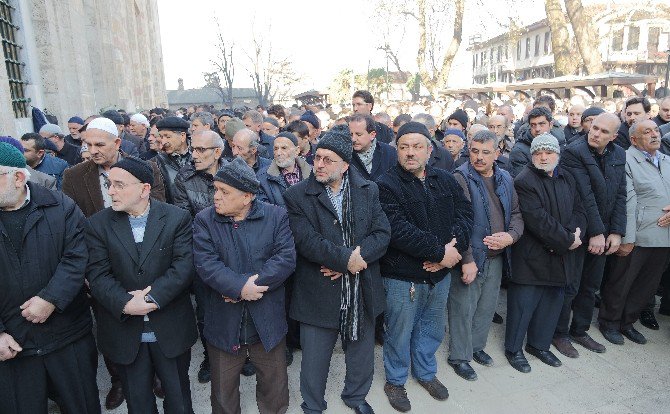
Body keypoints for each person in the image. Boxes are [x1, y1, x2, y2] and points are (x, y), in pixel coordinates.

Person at [284, 127, 391, 414]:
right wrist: (345, 261)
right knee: (315, 359)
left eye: (327, 160)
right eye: (317, 157)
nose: (318, 164)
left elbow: (382, 233)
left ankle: (355, 398)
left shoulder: (368, 189)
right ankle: (313, 405)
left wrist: (353, 262)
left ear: (345, 165)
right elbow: (306, 241)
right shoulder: (297, 195)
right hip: (318, 289)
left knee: (361, 354)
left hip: (361, 288)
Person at [61, 117, 166, 409]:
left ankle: (157, 373)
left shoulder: (146, 167)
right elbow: (73, 225)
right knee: (112, 322)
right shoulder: (74, 176)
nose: (91, 150)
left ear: (118, 143)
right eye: (86, 144)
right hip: (101, 264)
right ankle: (120, 379)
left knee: (152, 316)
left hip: (145, 261)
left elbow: (160, 214)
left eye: (99, 144)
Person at [85, 156, 198, 414]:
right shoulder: (97, 224)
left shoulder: (176, 218)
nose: (111, 191)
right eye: (109, 184)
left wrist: (151, 299)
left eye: (119, 185)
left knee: (179, 400)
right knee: (138, 403)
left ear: (144, 189)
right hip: (124, 332)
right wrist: (126, 303)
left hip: (170, 328)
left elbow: (183, 266)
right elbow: (97, 274)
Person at [377, 122, 473, 412]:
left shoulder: (445, 179)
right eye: (404, 147)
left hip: (440, 275)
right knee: (399, 331)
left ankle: (426, 373)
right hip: (402, 277)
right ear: (397, 151)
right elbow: (397, 230)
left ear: (430, 150)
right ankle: (395, 381)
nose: (410, 152)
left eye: (417, 146)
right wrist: (438, 252)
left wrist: (452, 251)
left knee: (431, 328)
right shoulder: (385, 185)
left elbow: (466, 215)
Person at [0, 143, 100, 414]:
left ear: (18, 178)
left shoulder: (60, 207)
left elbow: (78, 256)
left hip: (67, 335)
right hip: (13, 344)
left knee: (81, 405)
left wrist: (50, 299)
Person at [193, 157, 296, 414]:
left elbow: (285, 259)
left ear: (247, 196)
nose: (216, 196)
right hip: (224, 323)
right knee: (223, 396)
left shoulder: (276, 216)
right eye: (215, 190)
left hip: (267, 322)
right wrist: (239, 287)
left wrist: (248, 288)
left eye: (224, 191)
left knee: (274, 391)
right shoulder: (205, 220)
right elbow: (206, 264)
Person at [506, 133, 586, 373]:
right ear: (531, 155)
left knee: (551, 304)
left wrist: (572, 236)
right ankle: (514, 350)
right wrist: (567, 240)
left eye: (548, 152)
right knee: (523, 306)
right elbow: (537, 219)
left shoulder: (567, 176)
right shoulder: (525, 179)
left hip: (561, 253)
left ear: (557, 155)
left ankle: (539, 345)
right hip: (533, 255)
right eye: (538, 153)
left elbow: (579, 210)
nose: (543, 157)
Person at [448, 130, 523, 381]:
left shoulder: (505, 177)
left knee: (487, 307)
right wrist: (467, 259)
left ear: (497, 154)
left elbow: (516, 214)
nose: (479, 157)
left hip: (498, 254)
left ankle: (477, 347)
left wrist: (511, 236)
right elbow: (458, 223)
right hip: (472, 256)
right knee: (463, 307)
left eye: (485, 152)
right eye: (474, 151)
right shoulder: (460, 177)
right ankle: (459, 356)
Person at [552, 113, 626, 358]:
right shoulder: (574, 151)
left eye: (604, 132)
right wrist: (596, 232)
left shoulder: (618, 153)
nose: (596, 134)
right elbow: (585, 196)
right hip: (580, 229)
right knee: (570, 284)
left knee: (591, 285)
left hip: (603, 231)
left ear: (614, 136)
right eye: (595, 128)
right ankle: (559, 333)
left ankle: (580, 330)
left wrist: (616, 231)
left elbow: (620, 195)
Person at [599, 120, 670, 346]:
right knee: (621, 282)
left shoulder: (667, 160)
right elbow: (627, 200)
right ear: (633, 139)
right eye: (646, 132)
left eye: (656, 130)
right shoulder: (627, 159)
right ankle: (609, 322)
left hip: (664, 234)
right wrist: (627, 238)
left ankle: (627, 323)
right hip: (637, 233)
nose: (654, 134)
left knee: (647, 285)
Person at [348, 114, 397, 181]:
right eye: (351, 134)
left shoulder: (389, 153)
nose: (353, 139)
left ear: (372, 135)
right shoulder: (346, 154)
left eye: (359, 134)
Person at [155, 116, 192, 204]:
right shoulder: (156, 163)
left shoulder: (199, 156)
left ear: (183, 136)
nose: (163, 142)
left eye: (168, 137)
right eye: (161, 137)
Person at [509, 107, 554, 177]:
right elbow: (523, 182)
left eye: (541, 124)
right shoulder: (519, 151)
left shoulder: (556, 143)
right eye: (533, 125)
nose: (537, 129)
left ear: (550, 125)